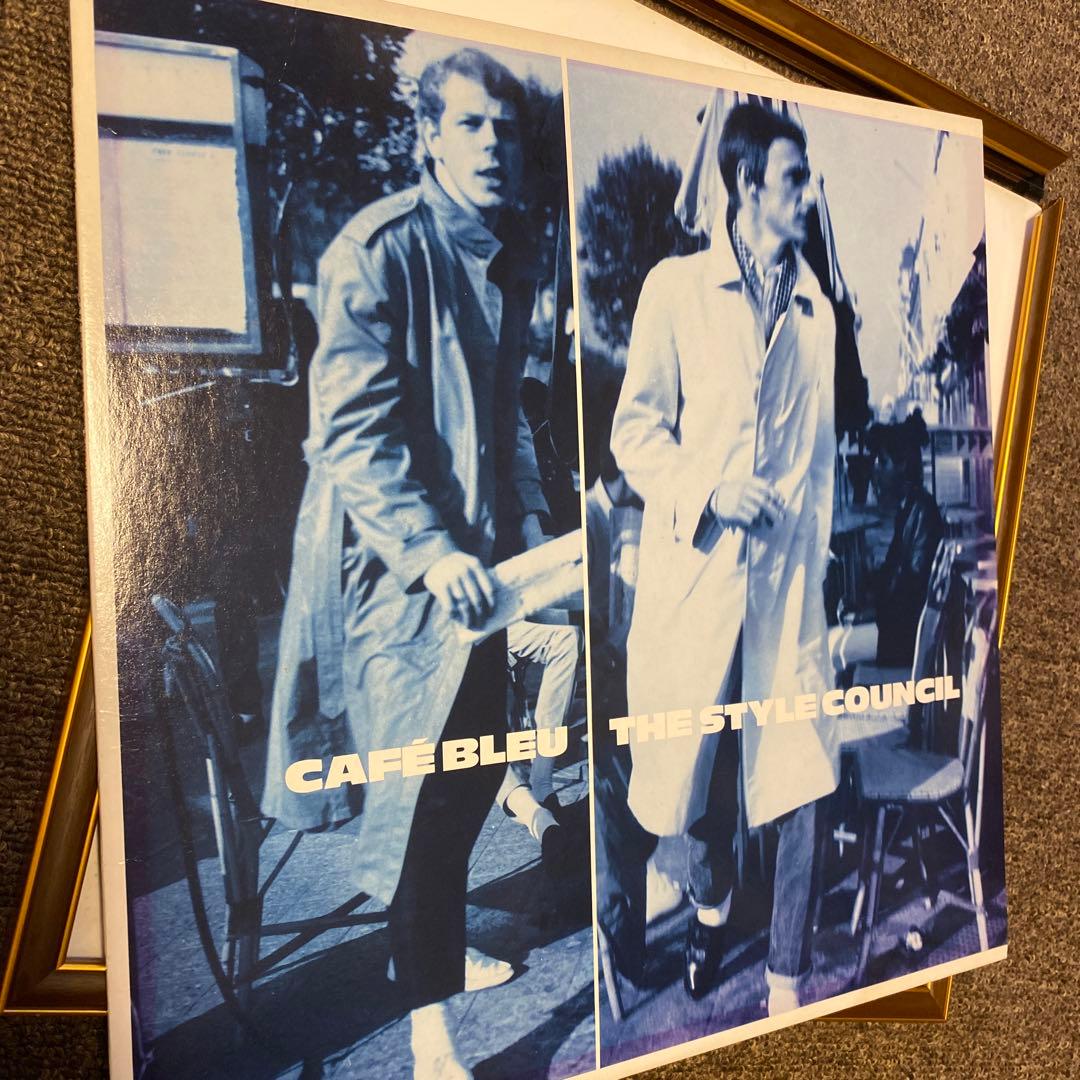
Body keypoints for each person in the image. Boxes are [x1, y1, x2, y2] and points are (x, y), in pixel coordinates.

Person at [262, 48, 552, 1079]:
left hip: (477, 568)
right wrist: (430, 552)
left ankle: (427, 945)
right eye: (469, 124)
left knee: (475, 769)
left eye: (504, 128)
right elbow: (351, 432)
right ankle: (432, 1040)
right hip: (387, 570)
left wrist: (532, 522)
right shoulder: (377, 250)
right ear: (428, 136)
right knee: (423, 795)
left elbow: (505, 414)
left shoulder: (510, 253)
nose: (492, 145)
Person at [609, 101, 840, 1014]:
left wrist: (817, 565)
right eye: (793, 178)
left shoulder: (818, 313)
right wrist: (709, 490)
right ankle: (709, 910)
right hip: (700, 583)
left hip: (787, 589)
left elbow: (821, 462)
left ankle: (786, 980)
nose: (808, 194)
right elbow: (634, 434)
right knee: (697, 784)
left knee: (803, 776)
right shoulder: (675, 289)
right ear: (747, 185)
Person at [830, 411, 945, 673]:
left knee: (830, 650)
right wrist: (864, 605)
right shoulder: (912, 508)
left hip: (903, 640)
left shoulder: (922, 513)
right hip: (899, 631)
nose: (875, 469)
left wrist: (870, 614)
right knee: (834, 640)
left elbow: (912, 592)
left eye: (883, 462)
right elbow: (897, 581)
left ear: (902, 464)